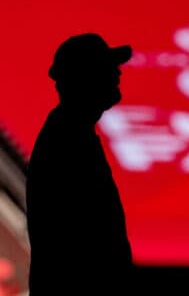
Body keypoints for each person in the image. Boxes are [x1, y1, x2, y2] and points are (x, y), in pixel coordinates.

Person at [26, 33, 134, 295]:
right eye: (107, 68)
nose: (117, 74)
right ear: (84, 78)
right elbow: (79, 238)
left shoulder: (71, 132)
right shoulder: (67, 139)